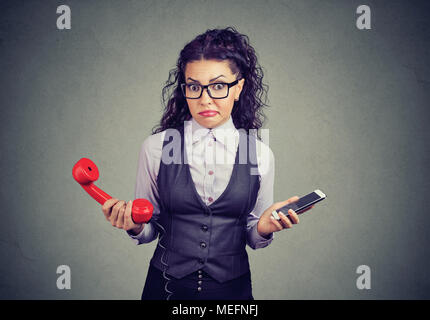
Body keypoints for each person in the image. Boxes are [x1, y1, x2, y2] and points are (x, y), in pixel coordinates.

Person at [101, 27, 313, 300]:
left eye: (218, 86)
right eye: (194, 86)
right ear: (184, 89)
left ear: (238, 88)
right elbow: (149, 228)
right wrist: (133, 224)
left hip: (232, 294)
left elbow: (252, 235)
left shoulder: (258, 154)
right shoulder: (157, 147)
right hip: (164, 289)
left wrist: (263, 227)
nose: (205, 99)